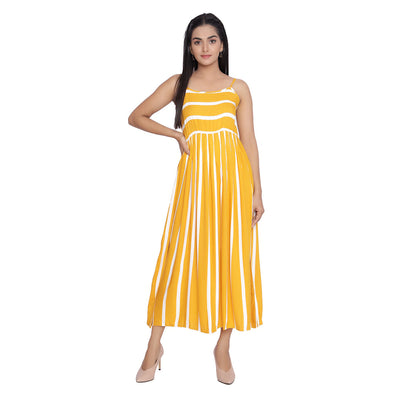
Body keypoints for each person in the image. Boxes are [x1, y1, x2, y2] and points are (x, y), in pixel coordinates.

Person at [128, 13, 264, 384]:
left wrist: (257, 191)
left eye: (212, 40)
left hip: (233, 184)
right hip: (194, 183)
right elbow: (137, 116)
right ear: (189, 47)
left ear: (222, 45)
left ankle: (223, 345)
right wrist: (175, 135)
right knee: (177, 255)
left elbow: (249, 141)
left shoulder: (238, 87)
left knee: (232, 257)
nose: (205, 48)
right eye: (197, 41)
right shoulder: (179, 84)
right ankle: (154, 344)